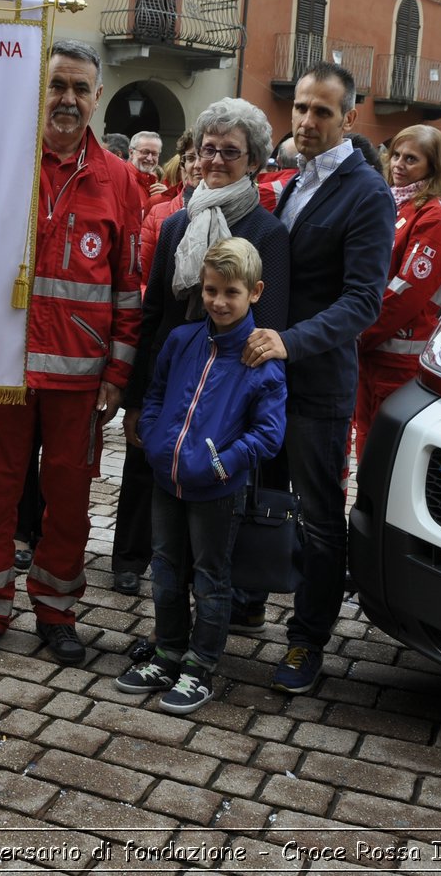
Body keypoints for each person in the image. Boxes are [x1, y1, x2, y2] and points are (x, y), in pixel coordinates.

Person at [0, 39, 143, 666]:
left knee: (68, 505)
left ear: (97, 97)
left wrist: (117, 374)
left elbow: (128, 286)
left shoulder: (120, 181)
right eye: (56, 85)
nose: (67, 99)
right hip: (1, 367)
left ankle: (57, 610)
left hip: (79, 379)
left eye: (79, 89)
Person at [239, 62, 394, 694]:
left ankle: (307, 641)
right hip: (267, 376)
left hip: (318, 380)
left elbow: (363, 301)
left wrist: (289, 342)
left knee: (319, 516)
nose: (305, 121)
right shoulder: (291, 180)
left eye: (321, 112)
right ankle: (249, 596)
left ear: (349, 118)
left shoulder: (367, 192)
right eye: (300, 107)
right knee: (259, 492)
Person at [118, 99, 290, 598]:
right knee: (146, 465)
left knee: (212, 491)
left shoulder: (268, 233)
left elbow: (269, 326)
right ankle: (131, 558)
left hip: (227, 389)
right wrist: (134, 399)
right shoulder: (175, 224)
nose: (215, 161)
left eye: (229, 152)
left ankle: (210, 587)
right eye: (208, 149)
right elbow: (152, 319)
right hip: (170, 377)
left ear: (254, 161)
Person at [118, 237, 286, 713]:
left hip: (216, 489)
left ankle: (200, 665)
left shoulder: (260, 359)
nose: (219, 301)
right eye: (211, 290)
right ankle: (169, 651)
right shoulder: (182, 339)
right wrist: (153, 438)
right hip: (167, 480)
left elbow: (268, 434)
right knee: (166, 570)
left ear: (254, 292)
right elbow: (156, 393)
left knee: (211, 578)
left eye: (231, 292)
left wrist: (220, 463)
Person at [353, 125, 441, 463]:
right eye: (395, 155)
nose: (398, 164)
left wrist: (358, 333)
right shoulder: (398, 204)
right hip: (373, 351)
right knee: (366, 438)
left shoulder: (435, 218)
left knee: (383, 450)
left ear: (433, 166)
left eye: (411, 159)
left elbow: (405, 292)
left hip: (397, 355)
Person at [139, 133, 197, 270]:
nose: (198, 165)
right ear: (182, 165)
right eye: (191, 158)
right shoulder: (158, 208)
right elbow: (142, 273)